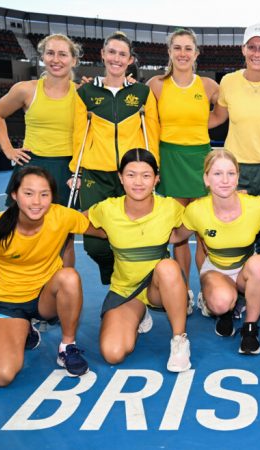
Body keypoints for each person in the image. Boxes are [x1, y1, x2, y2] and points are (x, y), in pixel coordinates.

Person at [0, 166, 100, 387]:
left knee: (69, 277)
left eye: (44, 194)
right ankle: (24, 330)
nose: (36, 202)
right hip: (9, 304)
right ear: (14, 194)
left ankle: (67, 347)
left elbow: (105, 230)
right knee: (1, 376)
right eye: (28, 193)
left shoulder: (62, 216)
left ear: (52, 197)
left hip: (44, 298)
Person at [85, 148, 191, 372]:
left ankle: (179, 340)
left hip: (157, 286)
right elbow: (70, 221)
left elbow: (193, 224)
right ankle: (139, 313)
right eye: (131, 175)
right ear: (121, 178)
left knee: (168, 268)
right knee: (113, 353)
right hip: (125, 291)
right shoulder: (107, 209)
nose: (138, 182)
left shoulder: (170, 207)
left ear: (156, 179)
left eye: (146, 175)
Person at [71, 31, 159, 285]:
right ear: (102, 54)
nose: (116, 59)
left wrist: (155, 170)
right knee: (95, 245)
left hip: (132, 177)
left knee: (136, 237)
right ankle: (116, 280)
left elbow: (151, 135)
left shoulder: (142, 93)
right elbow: (79, 136)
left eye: (122, 54)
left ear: (130, 59)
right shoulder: (86, 93)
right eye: (112, 52)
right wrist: (74, 172)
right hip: (94, 176)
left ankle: (133, 291)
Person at [0, 33, 82, 266]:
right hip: (32, 167)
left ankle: (64, 291)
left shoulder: (82, 94)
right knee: (21, 231)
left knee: (64, 237)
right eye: (50, 53)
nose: (56, 59)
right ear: (42, 57)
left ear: (74, 60)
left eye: (62, 54)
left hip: (66, 170)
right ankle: (21, 287)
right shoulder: (26, 89)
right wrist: (9, 149)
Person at [173, 149, 260, 354]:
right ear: (206, 179)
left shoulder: (256, 206)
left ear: (237, 177)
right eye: (217, 173)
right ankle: (226, 311)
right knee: (220, 302)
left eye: (231, 173)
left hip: (245, 269)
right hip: (216, 269)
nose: (225, 180)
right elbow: (175, 237)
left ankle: (250, 329)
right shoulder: (196, 210)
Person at [209, 23, 260, 267]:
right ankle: (237, 289)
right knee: (236, 232)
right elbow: (217, 118)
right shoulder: (228, 82)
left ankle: (259, 291)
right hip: (236, 170)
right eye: (252, 47)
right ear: (243, 50)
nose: (257, 52)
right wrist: (177, 121)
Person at [147, 28, 219, 298]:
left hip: (200, 160)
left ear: (196, 53)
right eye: (177, 47)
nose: (182, 53)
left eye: (188, 48)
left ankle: (207, 292)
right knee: (178, 232)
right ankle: (183, 291)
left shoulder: (209, 86)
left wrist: (200, 125)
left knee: (203, 231)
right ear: (169, 52)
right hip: (170, 160)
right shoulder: (156, 84)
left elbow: (221, 114)